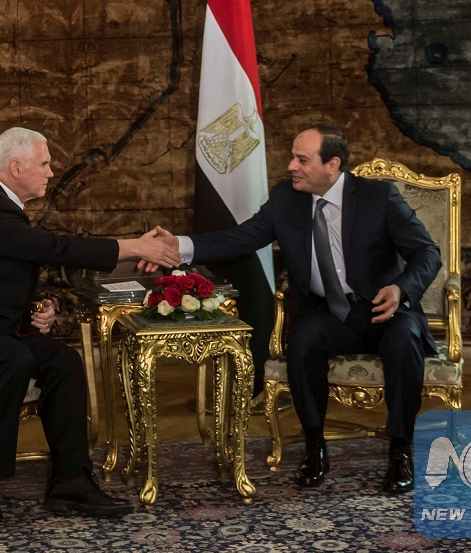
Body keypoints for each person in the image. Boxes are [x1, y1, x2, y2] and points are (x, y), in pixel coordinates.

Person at [0, 127, 181, 523]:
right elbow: (52, 248)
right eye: (45, 164)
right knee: (11, 358)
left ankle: (71, 481)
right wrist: (134, 246)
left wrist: (37, 307)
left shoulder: (0, 205)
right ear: (16, 167)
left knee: (63, 362)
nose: (51, 172)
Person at [160, 124, 440, 493]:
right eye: (293, 157)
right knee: (305, 338)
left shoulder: (378, 197)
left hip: (381, 310)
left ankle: (400, 448)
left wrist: (401, 289)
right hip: (328, 315)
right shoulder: (285, 199)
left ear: (332, 164)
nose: (291, 166)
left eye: (302, 160)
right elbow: (241, 238)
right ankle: (314, 447)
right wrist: (180, 246)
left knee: (404, 339)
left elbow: (427, 252)